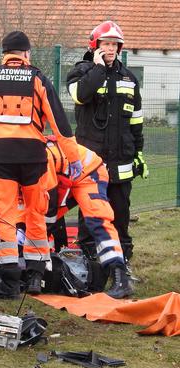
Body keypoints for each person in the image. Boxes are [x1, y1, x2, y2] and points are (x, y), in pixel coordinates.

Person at [0, 31, 81, 298]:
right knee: (35, 213)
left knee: (4, 215)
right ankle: (36, 276)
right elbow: (60, 123)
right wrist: (73, 158)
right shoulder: (39, 80)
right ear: (26, 54)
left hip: (1, 157)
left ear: (4, 54)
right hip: (34, 158)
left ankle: (10, 282)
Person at [66, 21, 147, 267]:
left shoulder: (129, 78)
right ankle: (90, 259)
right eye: (106, 44)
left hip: (121, 159)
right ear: (95, 46)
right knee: (91, 212)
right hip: (92, 162)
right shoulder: (81, 72)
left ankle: (122, 260)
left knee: (120, 213)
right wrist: (99, 69)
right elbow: (81, 95)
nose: (111, 49)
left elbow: (136, 119)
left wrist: (138, 153)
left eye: (114, 44)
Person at [43, 136, 133, 298]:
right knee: (44, 218)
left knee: (98, 220)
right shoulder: (24, 157)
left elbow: (53, 197)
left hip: (90, 172)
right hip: (66, 175)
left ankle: (120, 277)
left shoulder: (41, 157)